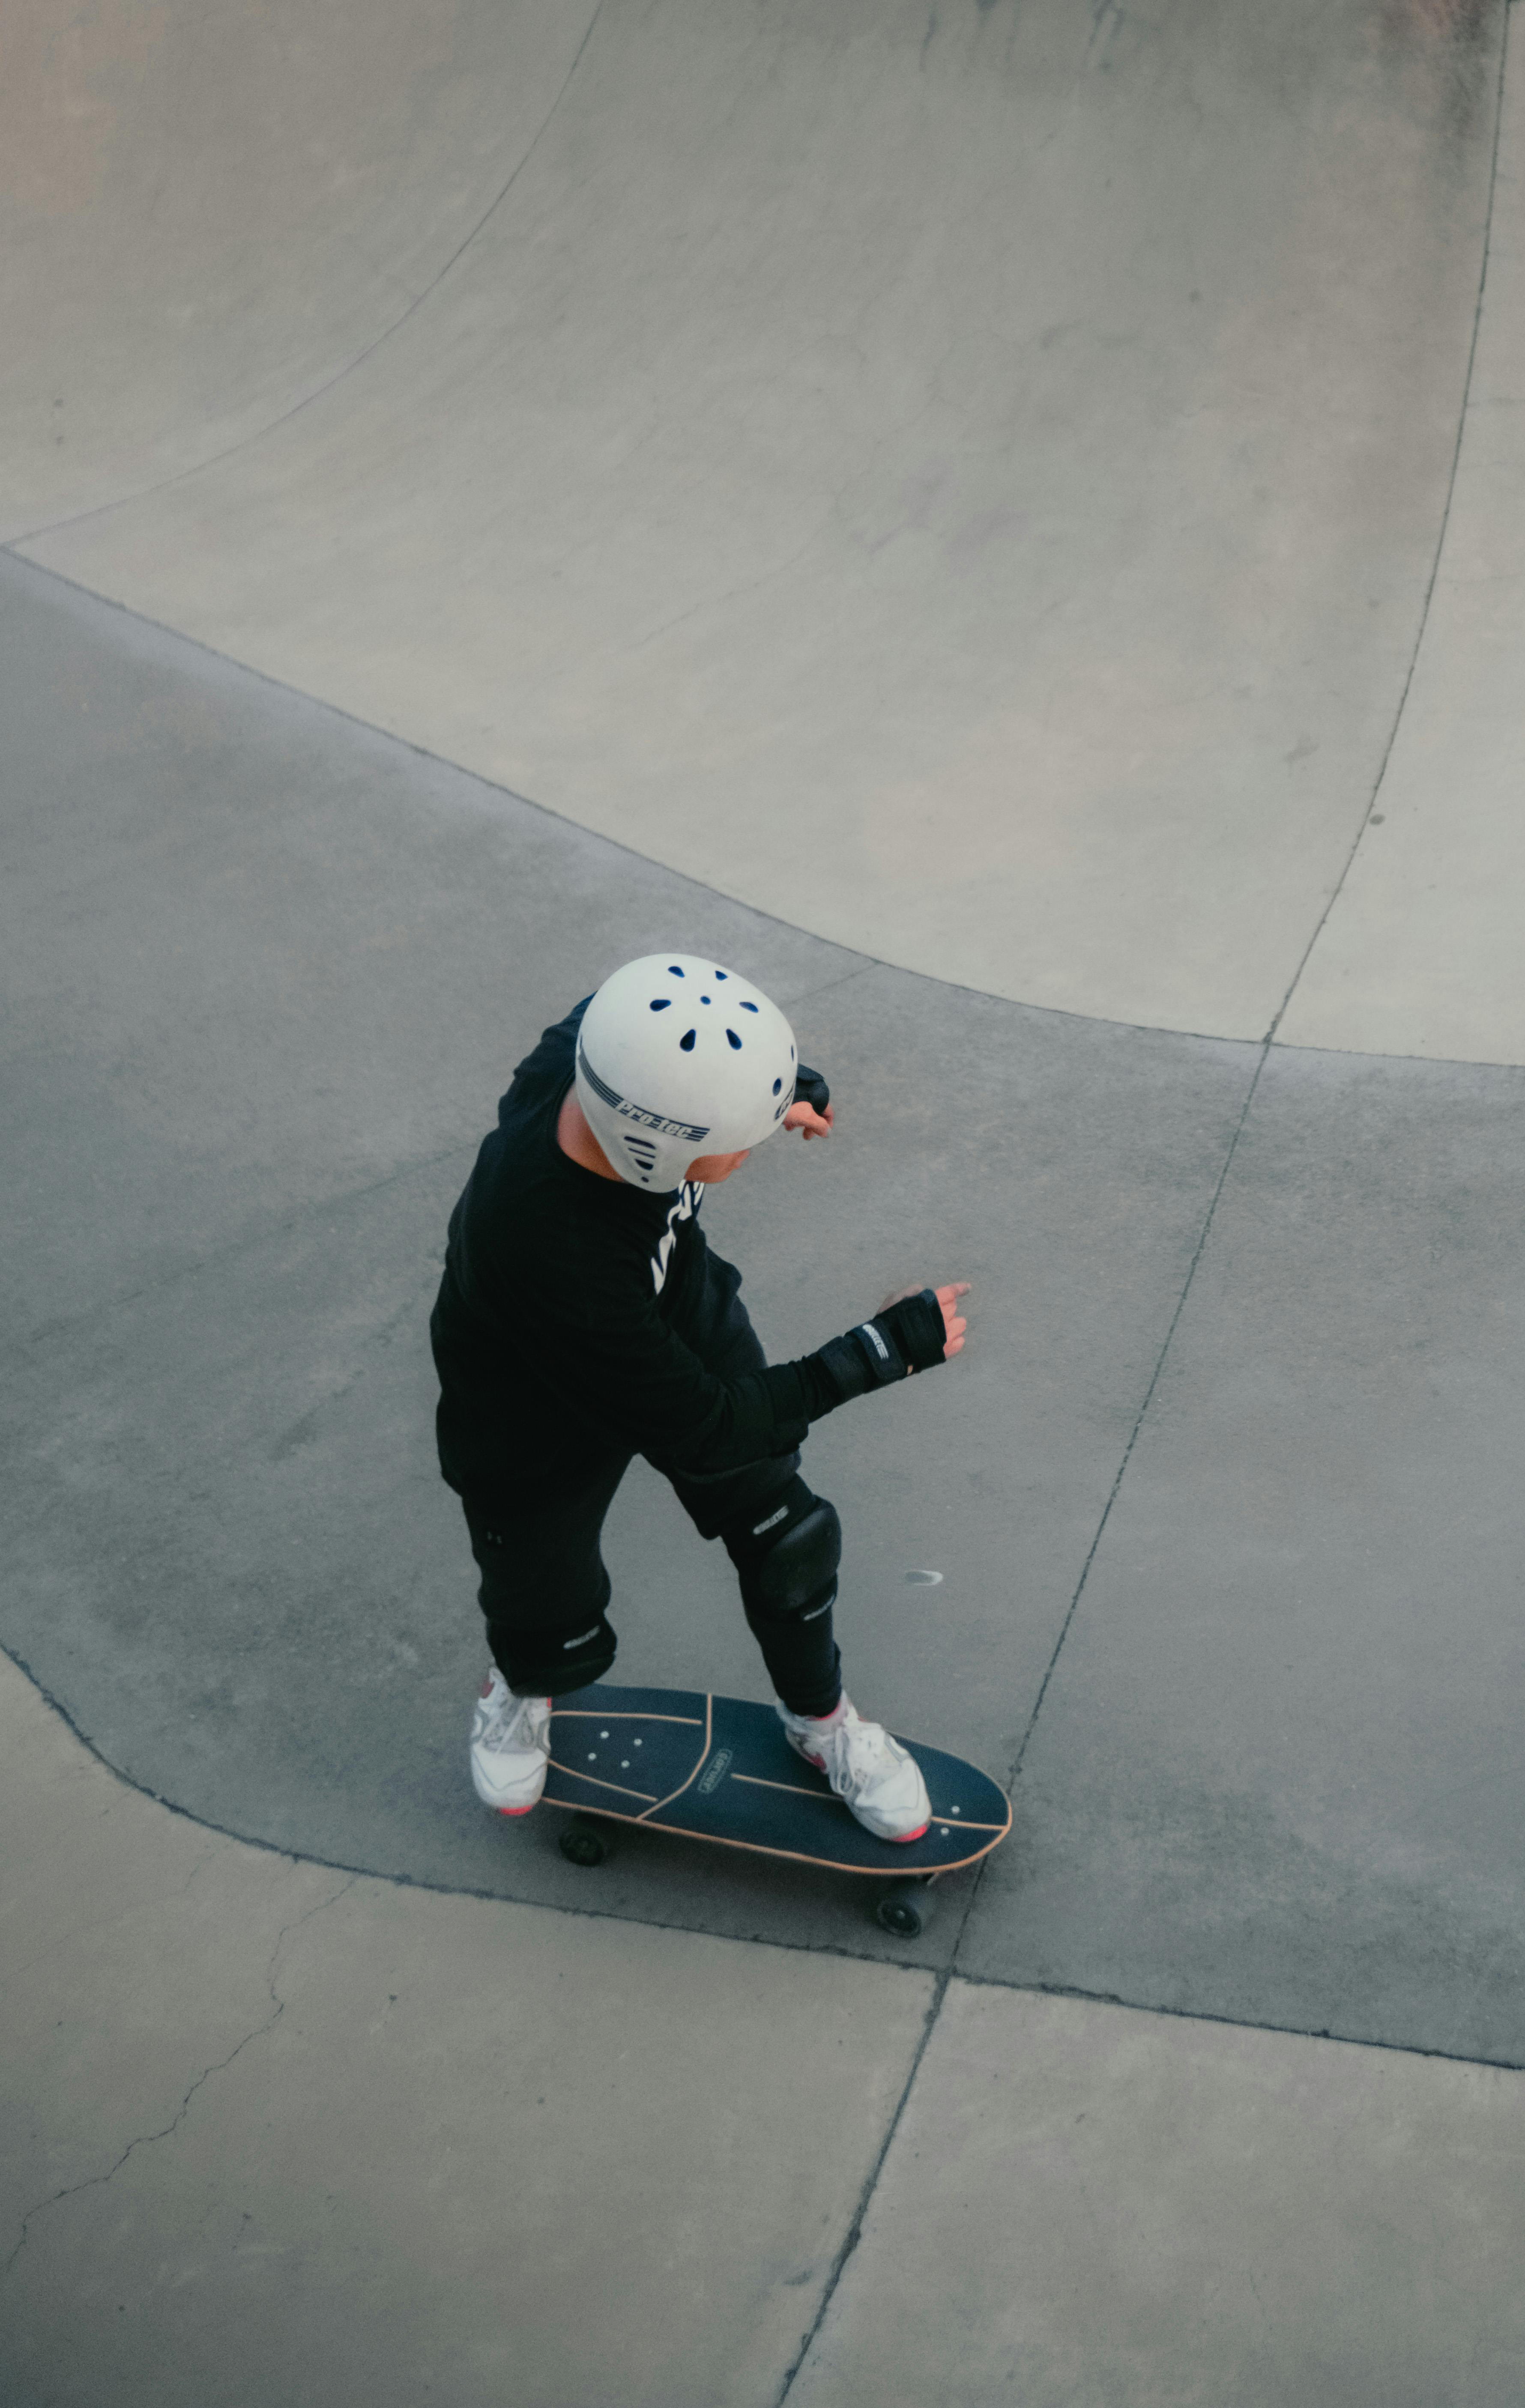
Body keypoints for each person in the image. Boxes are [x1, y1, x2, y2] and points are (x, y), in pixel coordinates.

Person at [429, 953, 969, 1844]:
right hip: (528, 1405)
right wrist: (873, 1353)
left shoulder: (597, 1058)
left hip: (669, 1312)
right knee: (542, 1595)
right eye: (740, 1134)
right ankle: (522, 1682)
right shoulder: (556, 1251)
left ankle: (819, 1722)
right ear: (658, 1147)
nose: (753, 1145)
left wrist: (771, 1080)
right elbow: (709, 1428)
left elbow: (645, 1023)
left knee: (787, 1535)